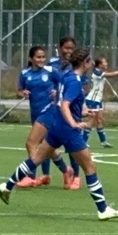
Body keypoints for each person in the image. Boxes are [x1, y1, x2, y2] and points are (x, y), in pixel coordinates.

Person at [0, 49, 118, 220]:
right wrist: (74, 123)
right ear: (85, 62)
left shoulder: (67, 77)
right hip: (67, 130)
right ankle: (103, 209)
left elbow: (64, 102)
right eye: (90, 61)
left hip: (56, 126)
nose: (92, 64)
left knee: (37, 158)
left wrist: (84, 112)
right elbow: (65, 104)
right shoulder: (75, 82)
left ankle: (7, 185)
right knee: (89, 167)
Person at [16, 45, 70, 189]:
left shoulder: (51, 71)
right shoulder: (25, 73)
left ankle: (30, 176)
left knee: (30, 143)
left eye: (43, 57)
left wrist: (57, 92)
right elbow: (19, 91)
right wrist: (23, 93)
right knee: (48, 148)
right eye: (38, 57)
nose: (41, 60)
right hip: (35, 113)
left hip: (49, 111)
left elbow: (65, 85)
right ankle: (66, 170)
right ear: (31, 59)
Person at [48, 37, 82, 187]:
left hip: (71, 110)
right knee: (47, 145)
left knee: (73, 146)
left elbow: (81, 88)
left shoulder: (76, 67)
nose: (68, 51)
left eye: (71, 48)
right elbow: (47, 82)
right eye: (66, 48)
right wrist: (51, 91)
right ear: (60, 48)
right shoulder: (52, 64)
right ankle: (47, 174)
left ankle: (76, 177)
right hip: (53, 109)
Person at [84, 57, 118, 148]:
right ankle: (83, 142)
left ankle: (103, 142)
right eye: (104, 62)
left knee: (100, 120)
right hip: (92, 100)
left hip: (97, 100)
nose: (106, 63)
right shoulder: (97, 72)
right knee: (91, 120)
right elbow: (112, 75)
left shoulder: (98, 71)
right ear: (100, 65)